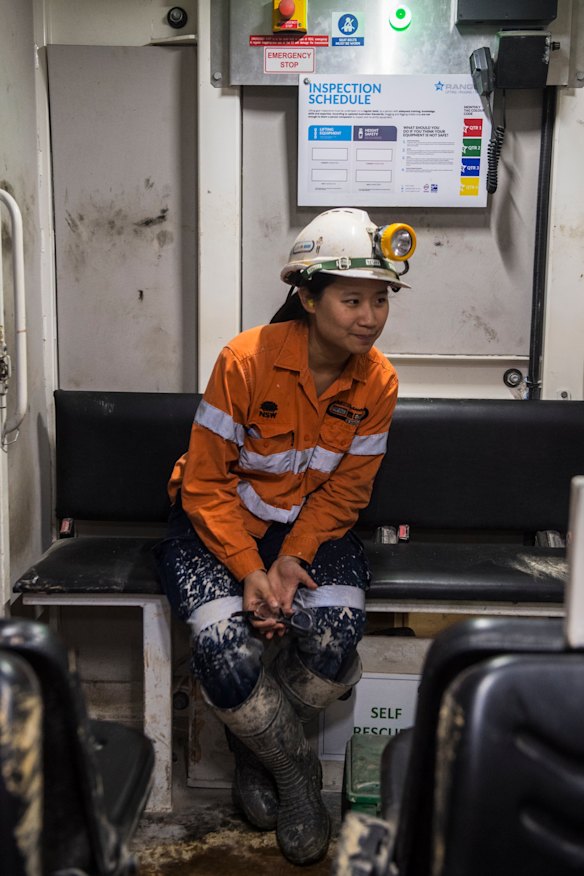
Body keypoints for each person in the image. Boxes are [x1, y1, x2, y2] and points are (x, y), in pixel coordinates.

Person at [154, 207, 415, 865]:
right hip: (218, 524)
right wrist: (249, 568)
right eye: (352, 298)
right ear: (306, 296)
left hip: (307, 529)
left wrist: (294, 556)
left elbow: (348, 489)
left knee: (331, 643)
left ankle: (253, 751)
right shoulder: (245, 361)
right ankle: (296, 770)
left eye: (380, 299)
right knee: (225, 650)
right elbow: (206, 484)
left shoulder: (377, 380)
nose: (370, 315)